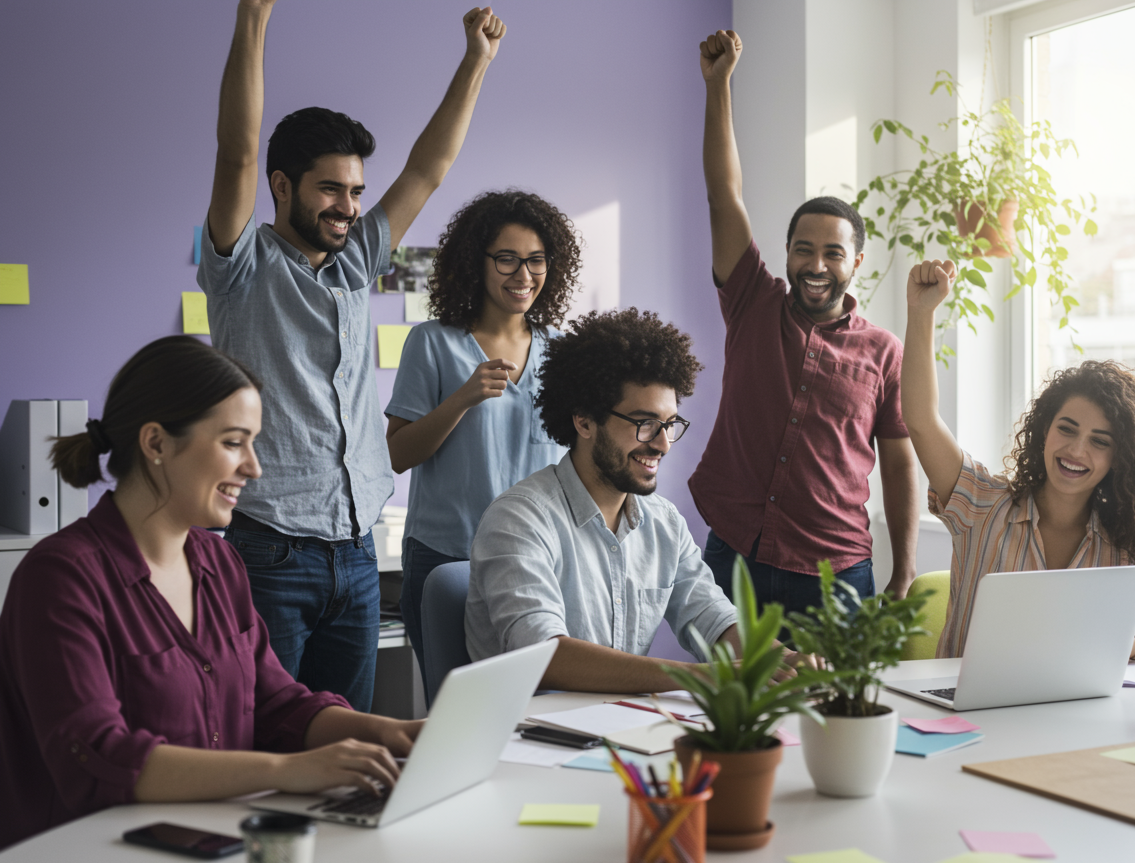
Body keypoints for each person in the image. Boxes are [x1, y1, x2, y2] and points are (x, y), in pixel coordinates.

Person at [196, 0, 506, 710]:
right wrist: (254, 18)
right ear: (283, 187)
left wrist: (475, 63)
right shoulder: (241, 266)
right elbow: (237, 151)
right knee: (262, 733)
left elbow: (429, 169)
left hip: (357, 549)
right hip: (269, 547)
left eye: (357, 191)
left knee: (345, 734)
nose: (348, 205)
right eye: (330, 189)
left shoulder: (355, 262)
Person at [0, 337, 421, 851]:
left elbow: (273, 702)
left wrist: (384, 733)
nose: (253, 467)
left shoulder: (219, 562)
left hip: (211, 845)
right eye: (232, 442)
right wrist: (288, 771)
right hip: (91, 862)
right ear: (156, 444)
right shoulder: (60, 577)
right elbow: (99, 754)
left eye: (253, 443)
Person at [688, 29, 919, 615]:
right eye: (803, 249)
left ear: (856, 262)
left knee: (831, 707)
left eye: (833, 253)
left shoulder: (885, 352)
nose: (816, 265)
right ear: (786, 251)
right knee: (730, 706)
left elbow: (897, 462)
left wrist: (905, 567)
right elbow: (725, 197)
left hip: (835, 571)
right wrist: (719, 86)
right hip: (734, 553)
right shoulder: (750, 302)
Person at [900, 259, 1135, 659]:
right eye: (1067, 429)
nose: (1077, 451)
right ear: (1044, 431)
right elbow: (922, 421)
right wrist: (921, 313)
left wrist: (1133, 643)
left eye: (1100, 441)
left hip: (1070, 714)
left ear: (1120, 458)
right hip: (967, 712)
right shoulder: (981, 501)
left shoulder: (1131, 540)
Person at [465, 309, 786, 693]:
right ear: (584, 421)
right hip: (529, 737)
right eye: (644, 424)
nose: (663, 444)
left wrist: (778, 660)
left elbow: (712, 618)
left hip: (618, 727)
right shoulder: (519, 519)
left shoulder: (664, 522)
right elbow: (543, 655)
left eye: (669, 424)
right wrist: (705, 676)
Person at [385, 190, 582, 700]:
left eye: (536, 260)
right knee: (460, 716)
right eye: (507, 259)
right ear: (478, 263)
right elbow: (398, 454)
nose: (523, 274)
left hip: (536, 561)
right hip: (445, 558)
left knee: (542, 711)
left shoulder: (562, 352)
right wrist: (463, 399)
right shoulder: (432, 341)